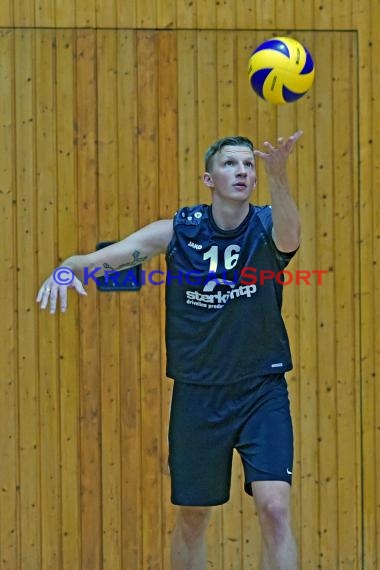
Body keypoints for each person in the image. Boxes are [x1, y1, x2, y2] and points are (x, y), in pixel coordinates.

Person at [37, 130, 302, 569]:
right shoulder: (179, 231)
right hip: (199, 396)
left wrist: (279, 175)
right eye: (230, 164)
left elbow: (290, 240)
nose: (241, 171)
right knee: (193, 518)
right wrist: (69, 269)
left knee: (275, 510)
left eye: (248, 165)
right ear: (208, 178)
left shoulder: (267, 224)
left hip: (261, 390)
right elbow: (111, 256)